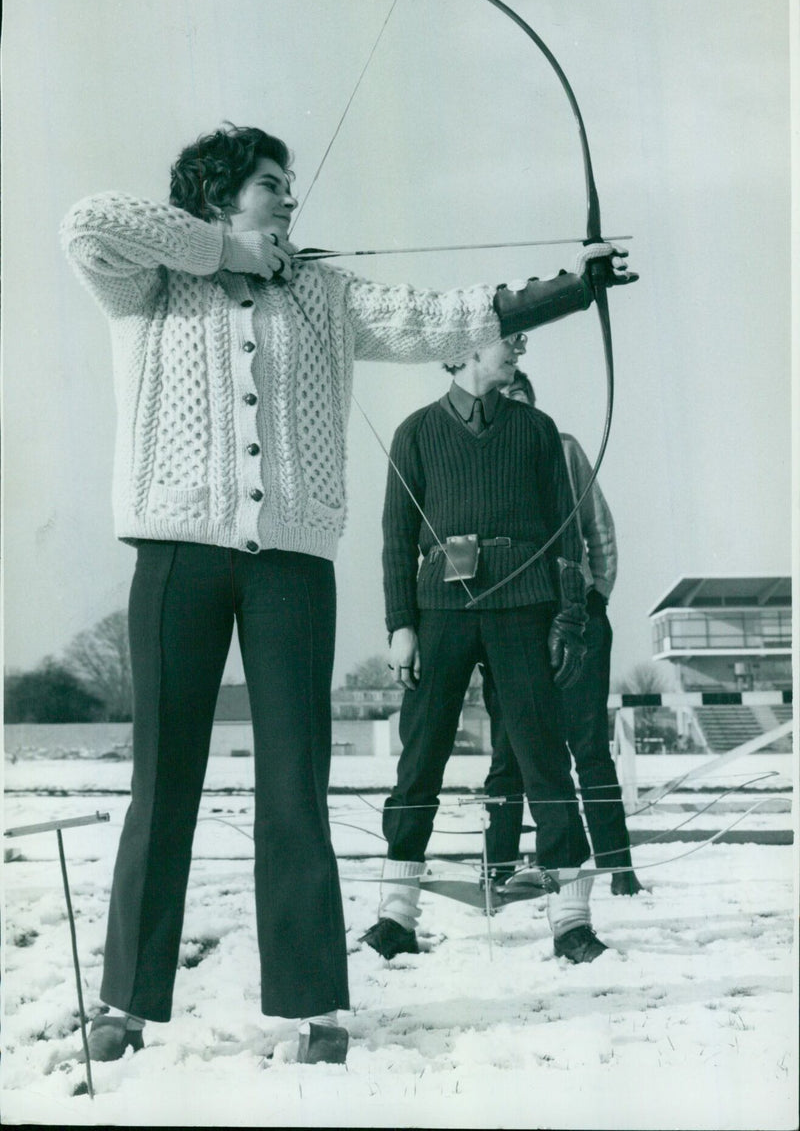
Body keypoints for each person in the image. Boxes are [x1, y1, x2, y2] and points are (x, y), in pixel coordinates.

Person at [61, 122, 636, 1063]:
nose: (288, 199)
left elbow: (441, 317)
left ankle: (314, 1007)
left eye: (289, 185)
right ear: (218, 192)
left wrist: (577, 287)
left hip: (291, 565)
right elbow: (87, 221)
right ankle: (123, 1005)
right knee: (162, 781)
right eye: (267, 185)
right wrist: (220, 249)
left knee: (298, 785)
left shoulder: (322, 292)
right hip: (177, 558)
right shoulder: (148, 281)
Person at [361, 331, 623, 967]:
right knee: (420, 756)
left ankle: (571, 922)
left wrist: (567, 617)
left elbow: (567, 537)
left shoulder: (538, 430)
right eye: (509, 341)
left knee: (543, 756)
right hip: (438, 612)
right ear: (466, 348)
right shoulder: (415, 432)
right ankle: (395, 917)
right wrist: (401, 624)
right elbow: (397, 538)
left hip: (525, 612)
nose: (520, 352)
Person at [482, 369, 644, 896]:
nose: (513, 408)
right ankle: (501, 870)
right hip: (512, 623)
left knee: (589, 747)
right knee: (509, 751)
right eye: (502, 399)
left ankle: (619, 870)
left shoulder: (564, 447)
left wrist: (595, 596)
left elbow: (600, 527)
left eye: (521, 399)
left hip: (576, 616)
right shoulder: (480, 459)